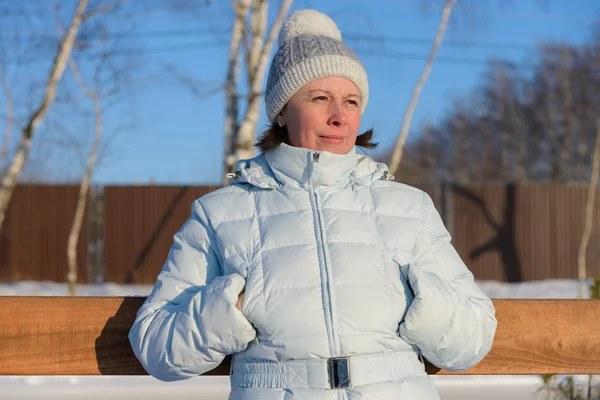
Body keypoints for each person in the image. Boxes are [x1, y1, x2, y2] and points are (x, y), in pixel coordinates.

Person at [128, 9, 497, 399]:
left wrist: (422, 300)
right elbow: (155, 346)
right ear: (283, 110)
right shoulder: (219, 214)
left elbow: (472, 340)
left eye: (351, 101)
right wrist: (228, 308)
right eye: (320, 98)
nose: (339, 116)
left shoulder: (409, 208)